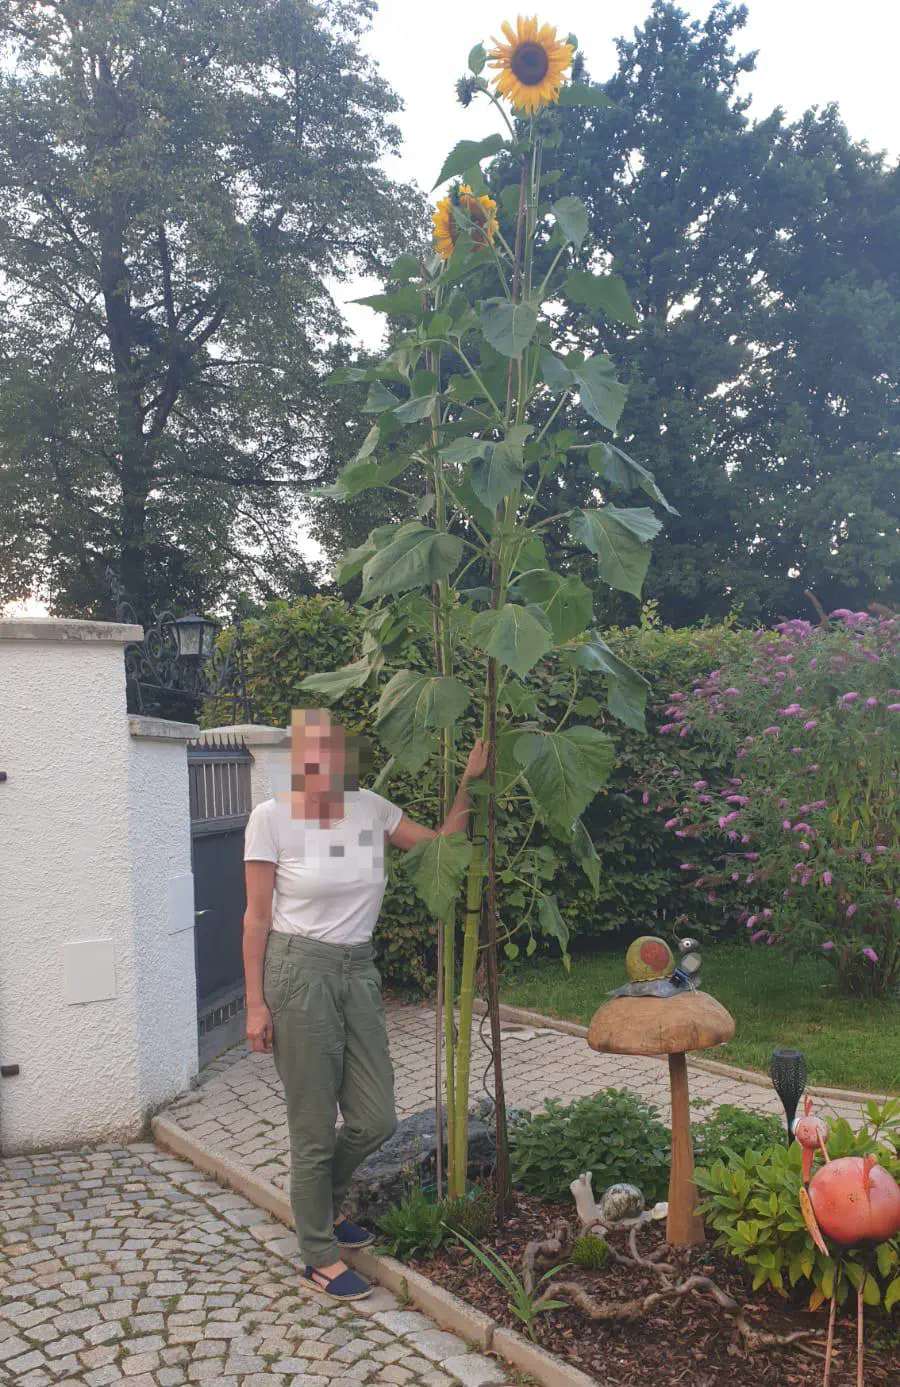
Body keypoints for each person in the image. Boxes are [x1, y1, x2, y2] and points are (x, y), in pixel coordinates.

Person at [242, 707, 489, 1302]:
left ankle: (319, 1204)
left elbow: (441, 847)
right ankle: (318, 1252)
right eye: (311, 750)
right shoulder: (271, 819)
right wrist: (255, 1003)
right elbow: (255, 917)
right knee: (312, 1126)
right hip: (298, 973)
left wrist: (468, 783)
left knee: (376, 1119)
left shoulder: (370, 808)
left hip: (358, 971)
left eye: (333, 749)